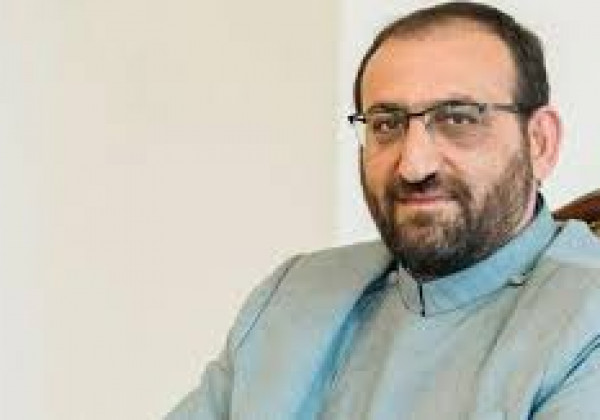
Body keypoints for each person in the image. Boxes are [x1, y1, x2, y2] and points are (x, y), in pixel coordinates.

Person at [167, 2, 600, 419]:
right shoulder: (293, 294)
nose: (414, 165)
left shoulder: (586, 322)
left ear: (539, 142)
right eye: (387, 124)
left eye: (458, 119)